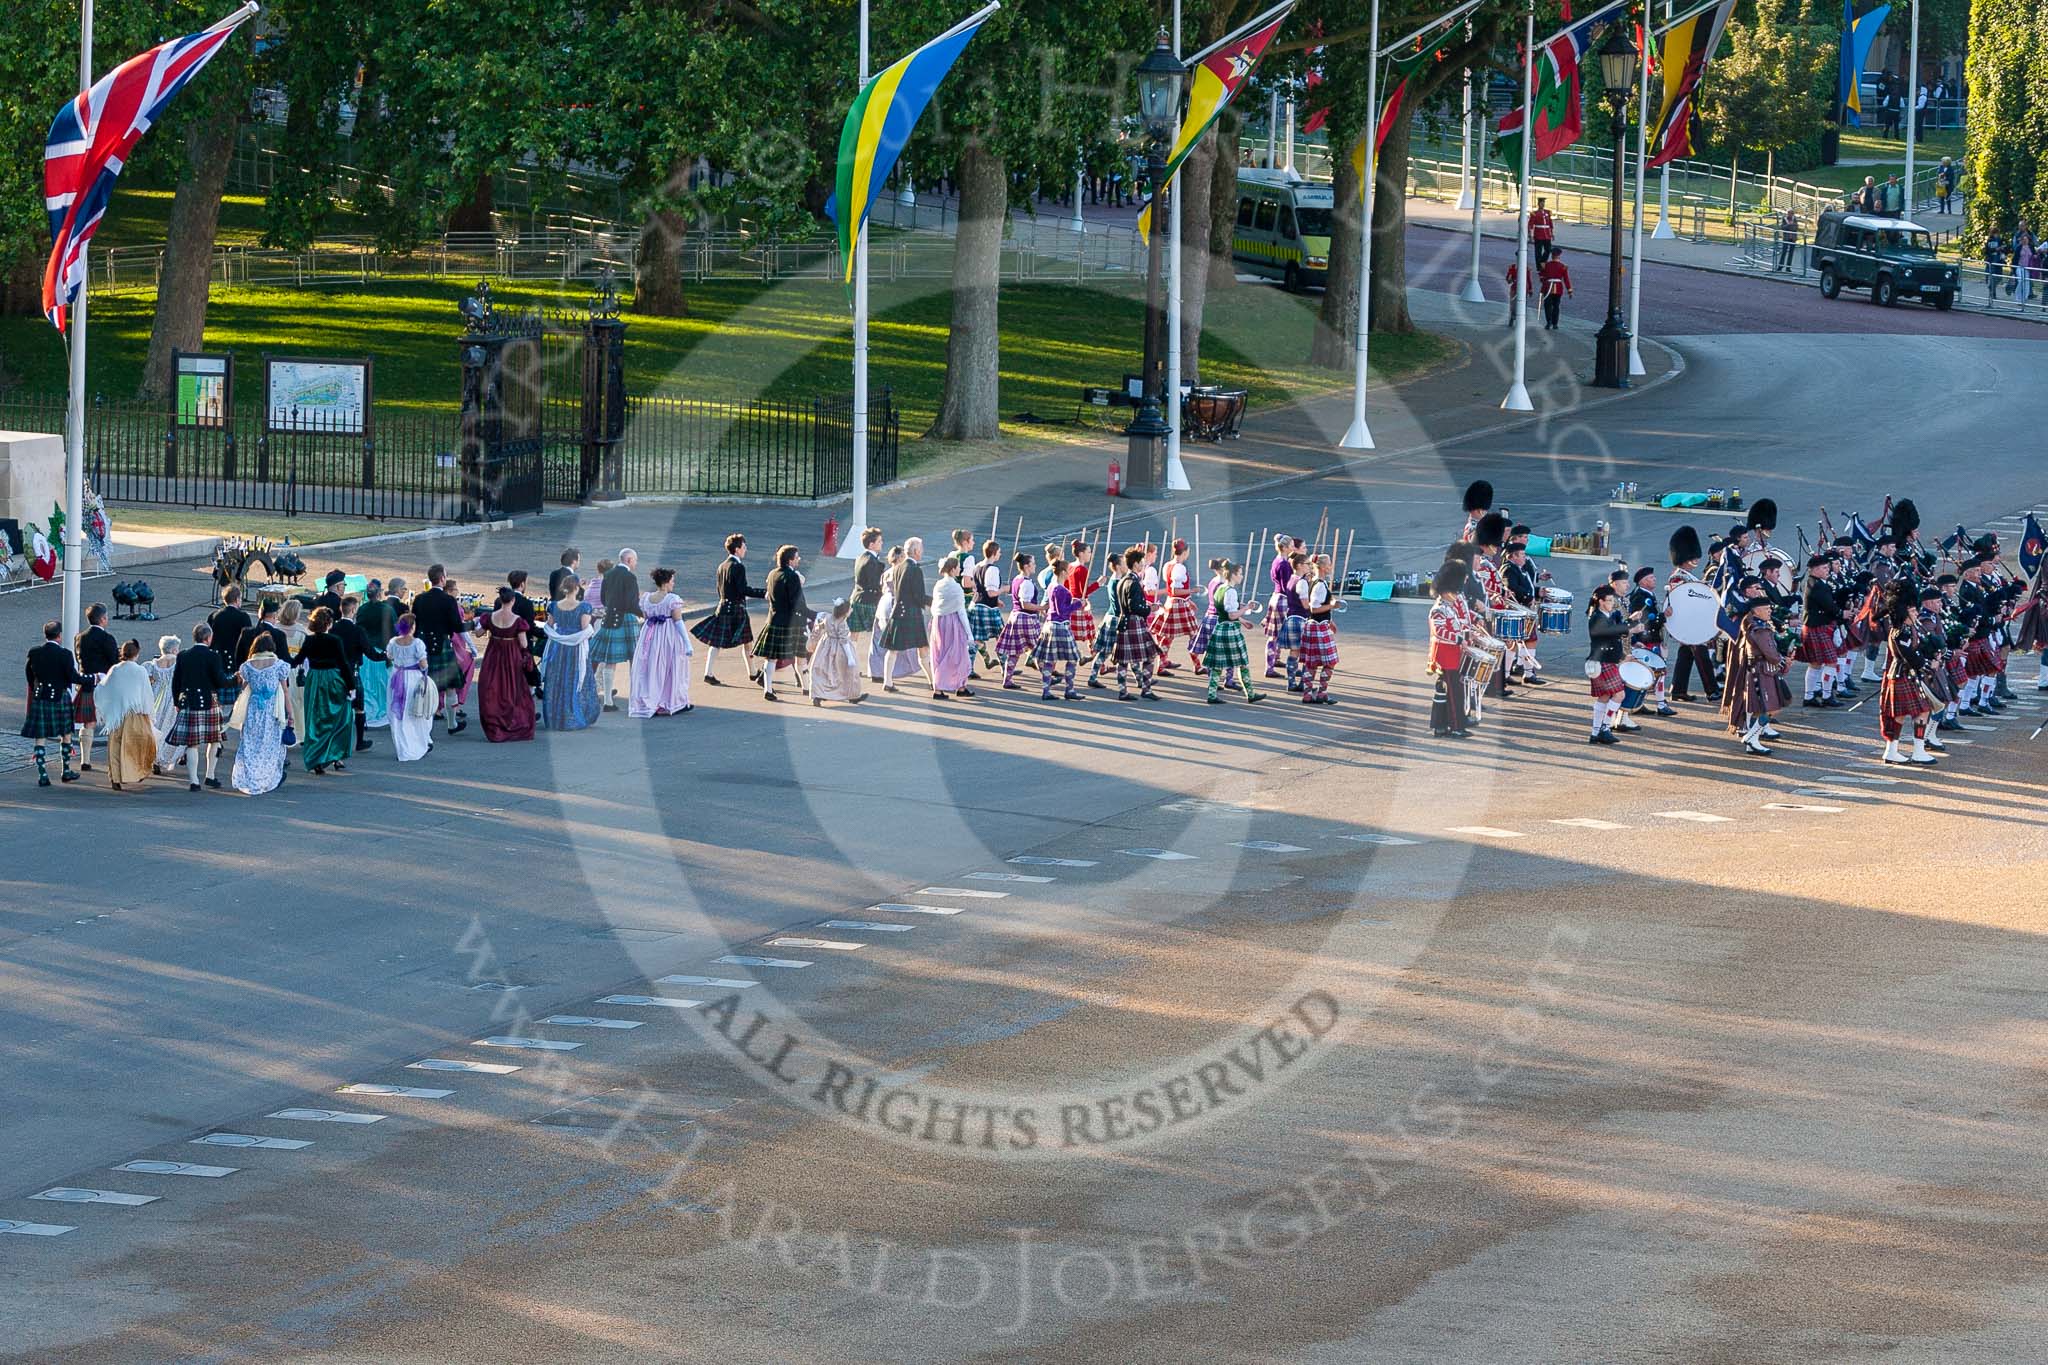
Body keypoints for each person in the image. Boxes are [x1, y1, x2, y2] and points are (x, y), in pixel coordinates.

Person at [230, 632, 299, 794]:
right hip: (272, 711)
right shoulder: (279, 665)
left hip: (253, 710)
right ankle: (266, 777)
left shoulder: (247, 666)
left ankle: (250, 777)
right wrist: (291, 715)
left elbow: (243, 688)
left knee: (250, 744)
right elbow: (286, 692)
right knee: (269, 745)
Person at [23, 620, 89, 786]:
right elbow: (73, 677)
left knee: (40, 737)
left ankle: (43, 774)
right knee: (66, 734)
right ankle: (65, 771)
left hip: (41, 697)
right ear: (59, 636)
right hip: (60, 697)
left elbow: (29, 675)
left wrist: (37, 687)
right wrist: (92, 679)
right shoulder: (65, 654)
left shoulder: (34, 652)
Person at [1878, 589, 1939, 765]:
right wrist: (1928, 665)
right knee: (1912, 712)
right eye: (1912, 611)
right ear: (1904, 613)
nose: (1916, 613)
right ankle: (1911, 751)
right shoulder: (1899, 632)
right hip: (1901, 674)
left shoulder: (1906, 629)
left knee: (1908, 713)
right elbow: (1909, 656)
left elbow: (1916, 651)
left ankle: (1894, 751)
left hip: (1906, 675)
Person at [168, 623, 232, 791]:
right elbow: (220, 681)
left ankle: (194, 781)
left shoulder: (183, 655)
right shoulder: (213, 656)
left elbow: (176, 682)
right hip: (209, 702)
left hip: (189, 702)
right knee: (215, 740)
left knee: (192, 744)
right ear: (208, 638)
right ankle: (210, 775)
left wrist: (176, 702)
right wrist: (235, 679)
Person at [1724, 591, 1789, 755]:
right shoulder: (1759, 629)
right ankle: (1750, 738)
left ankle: (1752, 742)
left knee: (1758, 709)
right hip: (1761, 673)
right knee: (1769, 709)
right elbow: (1770, 653)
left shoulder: (1757, 626)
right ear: (1756, 611)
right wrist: (1782, 660)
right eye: (1766, 609)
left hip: (1760, 671)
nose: (1770, 611)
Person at [468, 588, 536, 742]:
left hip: (493, 654)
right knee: (512, 689)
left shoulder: (490, 617)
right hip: (512, 656)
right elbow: (524, 644)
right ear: (512, 601)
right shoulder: (518, 620)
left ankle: (495, 724)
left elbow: (478, 633)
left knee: (493, 688)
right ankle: (512, 722)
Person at [694, 534, 763, 685]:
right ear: (737, 549)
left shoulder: (722, 565)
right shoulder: (738, 567)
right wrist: (764, 593)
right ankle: (752, 673)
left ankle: (708, 673)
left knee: (716, 642)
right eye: (744, 547)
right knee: (747, 641)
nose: (746, 550)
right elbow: (743, 589)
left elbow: (719, 589)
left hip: (723, 606)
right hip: (737, 609)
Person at [297, 607, 359, 772]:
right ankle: (336, 755)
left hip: (315, 679)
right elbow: (344, 664)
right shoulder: (334, 640)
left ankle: (317, 758)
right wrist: (351, 686)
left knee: (316, 719)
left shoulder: (309, 641)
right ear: (329, 623)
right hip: (332, 679)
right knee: (341, 718)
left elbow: (297, 659)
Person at [412, 564, 470, 735]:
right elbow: (457, 626)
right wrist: (474, 624)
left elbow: (414, 623)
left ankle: (421, 728)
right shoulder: (448, 600)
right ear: (442, 579)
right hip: (442, 645)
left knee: (423, 687)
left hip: (423, 647)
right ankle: (452, 725)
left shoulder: (420, 599)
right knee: (450, 686)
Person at [755, 544, 816, 702]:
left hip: (774, 620)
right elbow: (798, 604)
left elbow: (769, 596)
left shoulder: (772, 574)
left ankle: (768, 690)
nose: (799, 559)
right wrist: (815, 615)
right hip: (792, 623)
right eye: (797, 557)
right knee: (801, 658)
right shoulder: (792, 576)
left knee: (771, 658)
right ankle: (807, 689)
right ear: (790, 560)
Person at [630, 567, 694, 717]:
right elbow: (678, 622)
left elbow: (646, 617)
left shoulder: (646, 598)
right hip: (668, 635)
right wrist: (687, 643)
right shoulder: (672, 599)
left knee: (651, 668)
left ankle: (654, 701)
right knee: (671, 667)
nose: (673, 584)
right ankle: (671, 702)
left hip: (650, 635)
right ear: (665, 583)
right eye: (672, 581)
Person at [1665, 525, 1719, 702]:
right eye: (1692, 557)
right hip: (1687, 624)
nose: (1695, 560)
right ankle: (1711, 690)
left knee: (1685, 655)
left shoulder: (1688, 576)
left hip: (1690, 624)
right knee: (1702, 656)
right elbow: (1682, 603)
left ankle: (1678, 689)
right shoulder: (1678, 578)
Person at [97, 640, 158, 791]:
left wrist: (107, 708)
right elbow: (146, 694)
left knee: (115, 746)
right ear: (136, 653)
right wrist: (149, 712)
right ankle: (134, 772)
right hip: (135, 713)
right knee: (138, 744)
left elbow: (103, 688)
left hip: (117, 713)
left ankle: (115, 777)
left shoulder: (115, 669)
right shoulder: (140, 671)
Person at [1202, 561, 1264, 704]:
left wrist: (1242, 618)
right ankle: (1250, 694)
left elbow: (1226, 609)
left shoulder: (1220, 589)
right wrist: (1246, 607)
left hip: (1220, 628)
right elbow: (1231, 615)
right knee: (1242, 663)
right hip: (1230, 630)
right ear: (1233, 575)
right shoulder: (1230, 591)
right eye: (1240, 574)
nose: (1242, 576)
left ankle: (1212, 695)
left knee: (1217, 665)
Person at [878, 536, 932, 690]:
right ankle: (933, 682)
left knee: (893, 650)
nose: (921, 552)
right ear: (915, 551)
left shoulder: (898, 567)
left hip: (897, 613)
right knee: (923, 649)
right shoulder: (915, 569)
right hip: (911, 614)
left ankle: (887, 682)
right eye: (921, 550)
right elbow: (918, 595)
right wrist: (935, 603)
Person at [593, 548, 644, 709]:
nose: (636, 563)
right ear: (628, 560)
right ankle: (635, 700)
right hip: (627, 618)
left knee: (610, 661)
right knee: (633, 660)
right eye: (635, 560)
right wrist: (643, 614)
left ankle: (608, 701)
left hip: (609, 619)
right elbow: (632, 602)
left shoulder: (608, 575)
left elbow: (603, 599)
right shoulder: (629, 577)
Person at [1428, 561, 1474, 738]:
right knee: (1454, 694)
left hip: (1452, 654)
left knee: (1444, 692)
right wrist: (1460, 638)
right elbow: (1439, 631)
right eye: (1454, 591)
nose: (1457, 594)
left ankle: (1440, 725)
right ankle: (1456, 726)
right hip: (1445, 655)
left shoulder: (1448, 607)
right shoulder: (1439, 610)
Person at [385, 616, 439, 762]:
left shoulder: (393, 642)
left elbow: (389, 656)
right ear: (412, 627)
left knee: (398, 715)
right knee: (416, 711)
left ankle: (401, 746)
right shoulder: (417, 643)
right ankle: (417, 743)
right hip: (412, 678)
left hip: (396, 677)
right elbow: (423, 663)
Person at [1111, 546, 1161, 701]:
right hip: (1134, 622)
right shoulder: (1133, 582)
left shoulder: (1122, 581)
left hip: (1123, 621)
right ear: (1136, 564)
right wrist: (1150, 608)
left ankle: (1123, 691)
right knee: (1150, 656)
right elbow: (1135, 607)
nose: (1143, 565)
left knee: (1123, 660)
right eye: (1141, 562)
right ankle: (1146, 689)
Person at [72, 603, 118, 770]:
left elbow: (79, 660)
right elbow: (114, 662)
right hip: (105, 685)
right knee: (112, 721)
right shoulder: (108, 639)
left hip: (87, 684)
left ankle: (85, 760)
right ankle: (113, 761)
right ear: (103, 619)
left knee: (88, 722)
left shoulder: (80, 637)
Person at [1584, 584, 1630, 744]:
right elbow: (1609, 633)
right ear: (1601, 602)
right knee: (1619, 694)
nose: (1613, 603)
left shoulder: (1605, 615)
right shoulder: (1597, 617)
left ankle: (1595, 732)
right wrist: (1630, 628)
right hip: (1602, 661)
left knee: (1604, 696)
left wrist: (1629, 622)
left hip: (1602, 661)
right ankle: (1605, 727)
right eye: (1610, 600)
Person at [1034, 555, 1083, 702]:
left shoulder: (1051, 586)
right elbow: (1063, 611)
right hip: (1060, 625)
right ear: (1062, 572)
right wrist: (1077, 604)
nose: (1069, 573)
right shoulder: (1061, 589)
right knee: (1073, 658)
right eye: (1068, 571)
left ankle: (1046, 690)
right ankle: (1070, 689)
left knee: (1049, 659)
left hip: (1050, 624)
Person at [334, 595, 380, 753]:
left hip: (335, 673)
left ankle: (335, 741)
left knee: (336, 708)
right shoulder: (357, 631)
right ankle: (359, 741)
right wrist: (386, 655)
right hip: (352, 673)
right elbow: (370, 653)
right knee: (359, 708)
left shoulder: (333, 628)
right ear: (353, 610)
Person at [1798, 553, 1844, 708]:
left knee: (1816, 663)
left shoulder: (1814, 582)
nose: (1828, 570)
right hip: (1816, 627)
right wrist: (1841, 613)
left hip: (1814, 627)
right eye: (1824, 568)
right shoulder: (1817, 585)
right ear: (1814, 569)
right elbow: (1829, 605)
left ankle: (1809, 696)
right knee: (1831, 662)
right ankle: (1826, 695)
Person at [928, 555, 976, 699]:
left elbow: (934, 606)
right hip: (952, 623)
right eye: (958, 567)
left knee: (939, 653)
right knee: (959, 655)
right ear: (953, 569)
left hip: (938, 621)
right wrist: (969, 634)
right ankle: (961, 687)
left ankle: (939, 688)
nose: (960, 569)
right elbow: (961, 612)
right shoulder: (956, 587)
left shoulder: (938, 585)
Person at [1148, 539, 1200, 671]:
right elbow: (1175, 590)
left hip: (1171, 602)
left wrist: (1189, 599)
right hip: (1178, 604)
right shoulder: (1179, 567)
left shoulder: (1168, 565)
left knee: (1168, 636)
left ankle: (1162, 663)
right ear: (1186, 551)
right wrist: (1192, 591)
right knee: (1193, 634)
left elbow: (1172, 591)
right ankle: (1197, 665)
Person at [995, 552, 1043, 689]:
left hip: (1015, 617)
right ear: (1027, 566)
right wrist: (1042, 607)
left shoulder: (1017, 579)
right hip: (1026, 618)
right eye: (1033, 563)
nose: (1035, 566)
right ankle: (1047, 677)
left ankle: (1007, 679)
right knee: (1038, 649)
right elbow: (1025, 604)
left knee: (1015, 651)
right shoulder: (1026, 583)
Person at [1297, 556, 1339, 705]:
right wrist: (1333, 606)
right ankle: (1322, 693)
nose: (1331, 566)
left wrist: (1330, 620)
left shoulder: (1316, 581)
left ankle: (1308, 695)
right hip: (1318, 626)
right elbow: (1314, 608)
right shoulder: (1320, 584)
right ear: (1322, 567)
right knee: (1330, 661)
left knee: (1312, 663)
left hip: (1315, 624)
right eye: (1329, 564)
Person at [807, 601, 866, 706]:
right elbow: (843, 641)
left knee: (821, 670)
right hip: (839, 649)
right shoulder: (842, 622)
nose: (851, 610)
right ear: (845, 612)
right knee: (847, 672)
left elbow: (820, 627)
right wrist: (850, 657)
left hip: (825, 646)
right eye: (850, 609)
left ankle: (817, 695)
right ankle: (852, 695)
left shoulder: (828, 617)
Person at [357, 581, 397, 730]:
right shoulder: (387, 609)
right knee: (382, 685)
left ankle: (365, 712)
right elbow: (393, 631)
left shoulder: (362, 609)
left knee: (367, 685)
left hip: (366, 652)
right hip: (381, 651)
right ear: (379, 592)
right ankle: (382, 710)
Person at [207, 587, 252, 710]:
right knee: (239, 696)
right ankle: (235, 716)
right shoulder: (243, 617)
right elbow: (248, 641)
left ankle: (218, 718)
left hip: (217, 662)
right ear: (237, 599)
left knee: (217, 697)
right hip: (236, 662)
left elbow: (209, 640)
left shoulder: (214, 616)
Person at [148, 635, 185, 776]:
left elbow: (149, 679)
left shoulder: (154, 664)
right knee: (170, 728)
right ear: (175, 649)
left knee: (156, 729)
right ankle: (167, 757)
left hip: (156, 698)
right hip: (173, 698)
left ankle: (154, 758)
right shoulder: (178, 662)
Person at [968, 539, 1007, 670]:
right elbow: (991, 592)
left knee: (977, 639)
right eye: (999, 552)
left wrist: (997, 600)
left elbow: (977, 588)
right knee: (1001, 637)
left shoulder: (977, 566)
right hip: (987, 607)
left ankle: (968, 669)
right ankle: (1006, 668)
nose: (1000, 554)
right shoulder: (993, 569)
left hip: (975, 604)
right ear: (994, 553)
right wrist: (1004, 589)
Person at [849, 527, 886, 659]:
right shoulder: (871, 561)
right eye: (879, 541)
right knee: (879, 632)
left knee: (854, 633)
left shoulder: (860, 557)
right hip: (869, 601)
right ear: (871, 544)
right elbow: (875, 584)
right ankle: (877, 664)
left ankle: (849, 661)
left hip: (856, 598)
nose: (882, 543)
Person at [1538, 247, 1572, 330]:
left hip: (1547, 286)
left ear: (1552, 255)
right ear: (1559, 256)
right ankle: (1555, 323)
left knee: (1548, 305)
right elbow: (1566, 279)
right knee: (1556, 306)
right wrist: (1569, 290)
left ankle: (1548, 322)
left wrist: (1544, 281)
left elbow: (1541, 277)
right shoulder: (1563, 266)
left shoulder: (1546, 265)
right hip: (1558, 287)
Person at [1505, 257, 1534, 328]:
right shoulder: (1512, 267)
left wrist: (1530, 289)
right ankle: (1513, 316)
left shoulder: (1526, 268)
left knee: (1522, 304)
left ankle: (1520, 319)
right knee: (1513, 304)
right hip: (1515, 288)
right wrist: (1510, 277)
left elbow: (1528, 279)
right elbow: (1508, 279)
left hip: (1524, 289)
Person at [1528, 197, 1555, 264]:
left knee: (1548, 250)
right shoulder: (1535, 213)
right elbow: (1530, 225)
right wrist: (1530, 234)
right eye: (1541, 203)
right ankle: (1539, 266)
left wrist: (1552, 233)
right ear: (1538, 204)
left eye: (1543, 203)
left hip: (1547, 235)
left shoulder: (1548, 212)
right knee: (1538, 251)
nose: (1542, 204)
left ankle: (1542, 262)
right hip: (1538, 234)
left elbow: (1550, 224)